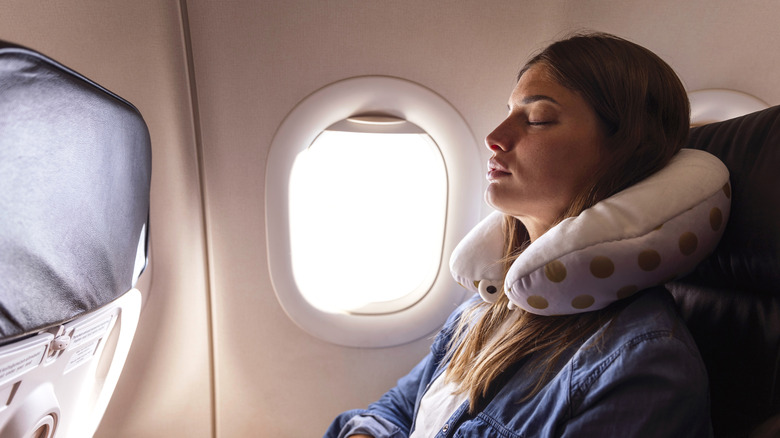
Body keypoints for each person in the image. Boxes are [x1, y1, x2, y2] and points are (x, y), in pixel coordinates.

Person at [325, 32, 728, 438]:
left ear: (625, 153)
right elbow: (398, 408)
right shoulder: (488, 308)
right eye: (508, 111)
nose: (494, 136)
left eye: (537, 119)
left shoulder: (642, 367)